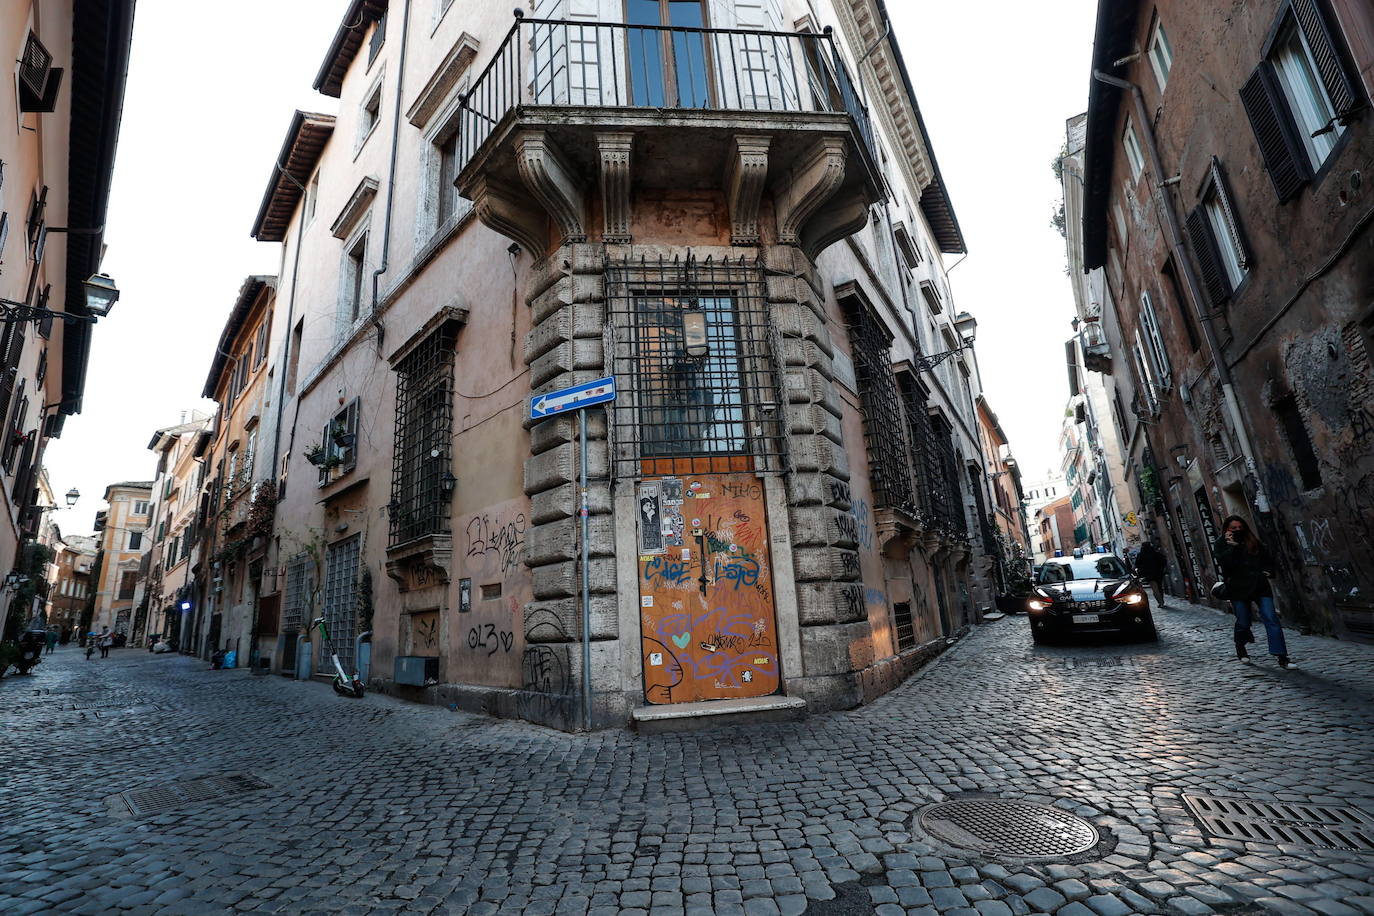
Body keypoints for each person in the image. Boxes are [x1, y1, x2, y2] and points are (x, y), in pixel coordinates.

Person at [1213, 515, 1296, 669]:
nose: (1238, 530)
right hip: (1238, 588)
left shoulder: (1252, 540)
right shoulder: (1220, 544)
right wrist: (1233, 547)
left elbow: (1267, 558)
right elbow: (1227, 565)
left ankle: (1282, 656)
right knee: (1243, 621)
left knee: (1271, 618)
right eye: (1234, 528)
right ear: (1226, 529)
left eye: (1240, 527)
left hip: (1259, 586)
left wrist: (1267, 571)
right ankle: (1240, 646)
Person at [1133, 542, 1168, 607]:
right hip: (1158, 573)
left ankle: (1160, 603)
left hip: (1149, 574)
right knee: (1160, 587)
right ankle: (1161, 600)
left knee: (1155, 589)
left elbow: (1137, 565)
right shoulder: (1155, 553)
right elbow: (1163, 561)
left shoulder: (1141, 555)